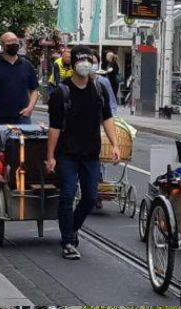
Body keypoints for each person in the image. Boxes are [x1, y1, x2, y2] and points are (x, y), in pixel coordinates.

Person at [45, 45, 118, 260]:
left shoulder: (98, 89)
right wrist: (50, 156)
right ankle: (68, 240)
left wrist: (114, 144)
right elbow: (54, 127)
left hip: (90, 153)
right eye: (81, 60)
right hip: (67, 153)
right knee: (67, 195)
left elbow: (107, 119)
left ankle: (72, 228)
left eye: (89, 61)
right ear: (73, 64)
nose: (85, 65)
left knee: (90, 197)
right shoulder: (62, 92)